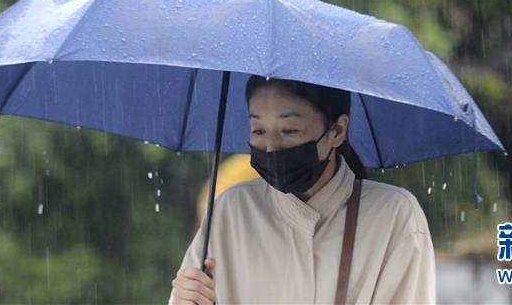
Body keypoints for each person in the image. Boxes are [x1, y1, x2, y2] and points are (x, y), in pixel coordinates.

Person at [169, 75, 436, 304]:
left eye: (289, 130)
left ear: (338, 130)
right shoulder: (230, 212)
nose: (271, 147)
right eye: (258, 130)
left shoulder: (393, 217)